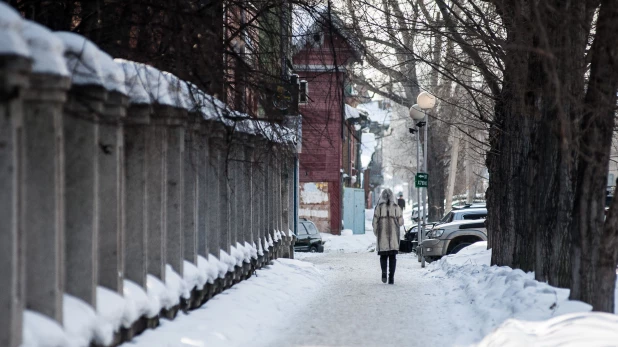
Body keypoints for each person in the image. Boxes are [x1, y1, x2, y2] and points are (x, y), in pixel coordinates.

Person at [372, 188, 404, 284]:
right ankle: (391, 278)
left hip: (382, 236)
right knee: (393, 257)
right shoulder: (396, 207)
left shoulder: (379, 207)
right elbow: (400, 222)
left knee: (383, 257)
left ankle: (384, 273)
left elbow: (375, 222)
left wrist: (377, 232)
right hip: (393, 236)